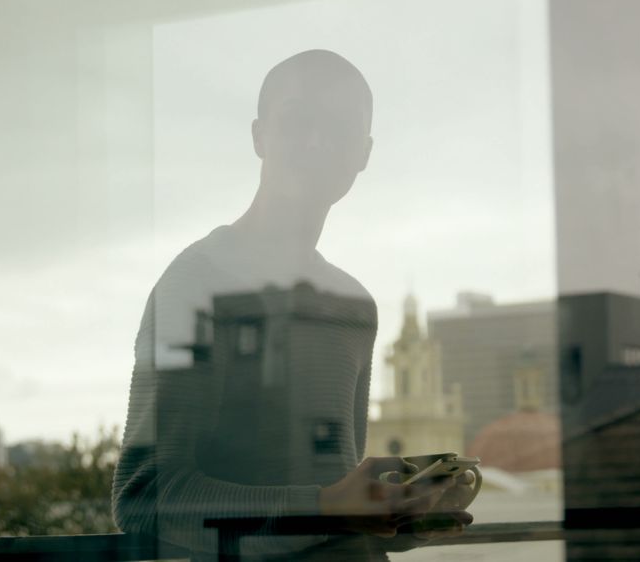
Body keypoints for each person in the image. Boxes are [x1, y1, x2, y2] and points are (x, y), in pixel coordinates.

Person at [112, 49, 472, 560]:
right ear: (259, 136)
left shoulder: (355, 307)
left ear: (364, 153)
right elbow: (144, 500)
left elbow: (330, 497)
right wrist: (326, 507)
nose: (317, 141)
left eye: (341, 128)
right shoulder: (196, 284)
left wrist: (398, 513)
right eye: (298, 119)